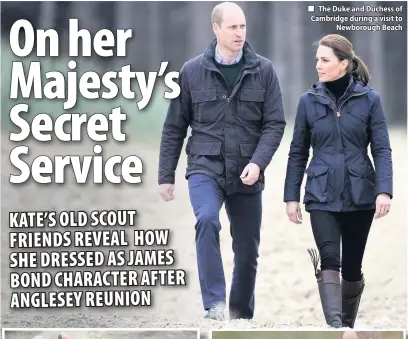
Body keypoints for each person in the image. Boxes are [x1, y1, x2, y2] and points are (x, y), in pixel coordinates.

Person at [158, 1, 286, 320]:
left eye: (242, 26)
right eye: (232, 27)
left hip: (248, 171)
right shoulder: (191, 72)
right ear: (216, 29)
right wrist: (165, 175)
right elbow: (175, 126)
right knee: (207, 220)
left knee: (246, 251)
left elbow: (275, 123)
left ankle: (240, 314)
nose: (239, 32)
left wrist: (258, 163)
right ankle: (214, 306)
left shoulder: (264, 71)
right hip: (205, 167)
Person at [283, 34, 393, 328]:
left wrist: (384, 191)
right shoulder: (308, 101)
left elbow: (381, 148)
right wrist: (291, 196)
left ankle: (347, 328)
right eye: (317, 59)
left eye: (324, 60)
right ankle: (336, 329)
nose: (317, 65)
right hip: (320, 193)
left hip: (361, 194)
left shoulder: (370, 100)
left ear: (343, 64)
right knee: (329, 259)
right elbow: (297, 152)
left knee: (353, 269)